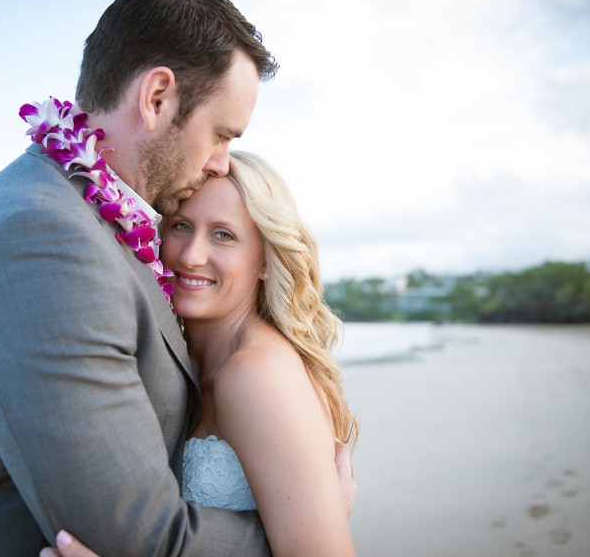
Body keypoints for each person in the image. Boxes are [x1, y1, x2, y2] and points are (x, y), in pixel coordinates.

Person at [0, 0, 282, 556]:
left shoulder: (90, 221)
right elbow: (139, 542)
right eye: (221, 134)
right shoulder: (39, 239)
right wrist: (307, 520)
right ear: (157, 97)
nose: (219, 164)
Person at [42, 151, 358, 557]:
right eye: (181, 226)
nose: (191, 255)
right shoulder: (184, 361)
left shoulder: (257, 374)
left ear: (265, 259)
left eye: (223, 235)